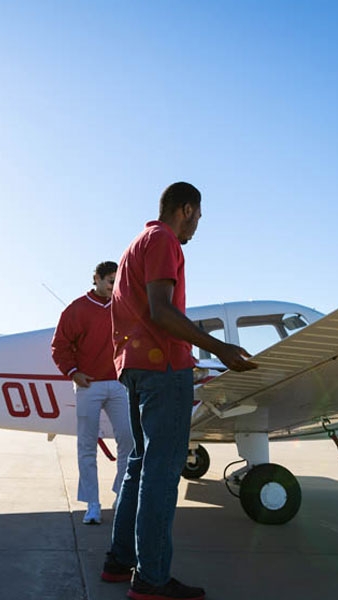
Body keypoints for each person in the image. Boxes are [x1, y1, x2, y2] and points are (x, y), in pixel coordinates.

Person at [101, 182, 258, 600]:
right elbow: (161, 310)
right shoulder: (164, 240)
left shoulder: (137, 243)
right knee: (161, 473)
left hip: (134, 369)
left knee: (140, 464)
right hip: (163, 367)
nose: (197, 228)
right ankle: (151, 579)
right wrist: (218, 348)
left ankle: (120, 560)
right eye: (199, 218)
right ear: (186, 209)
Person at [51, 261, 133, 525]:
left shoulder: (125, 305)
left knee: (129, 440)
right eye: (110, 280)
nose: (114, 286)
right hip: (88, 386)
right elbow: (59, 346)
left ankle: (121, 496)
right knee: (86, 445)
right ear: (96, 278)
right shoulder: (76, 310)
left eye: (117, 281)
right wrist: (73, 371)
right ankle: (92, 504)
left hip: (119, 384)